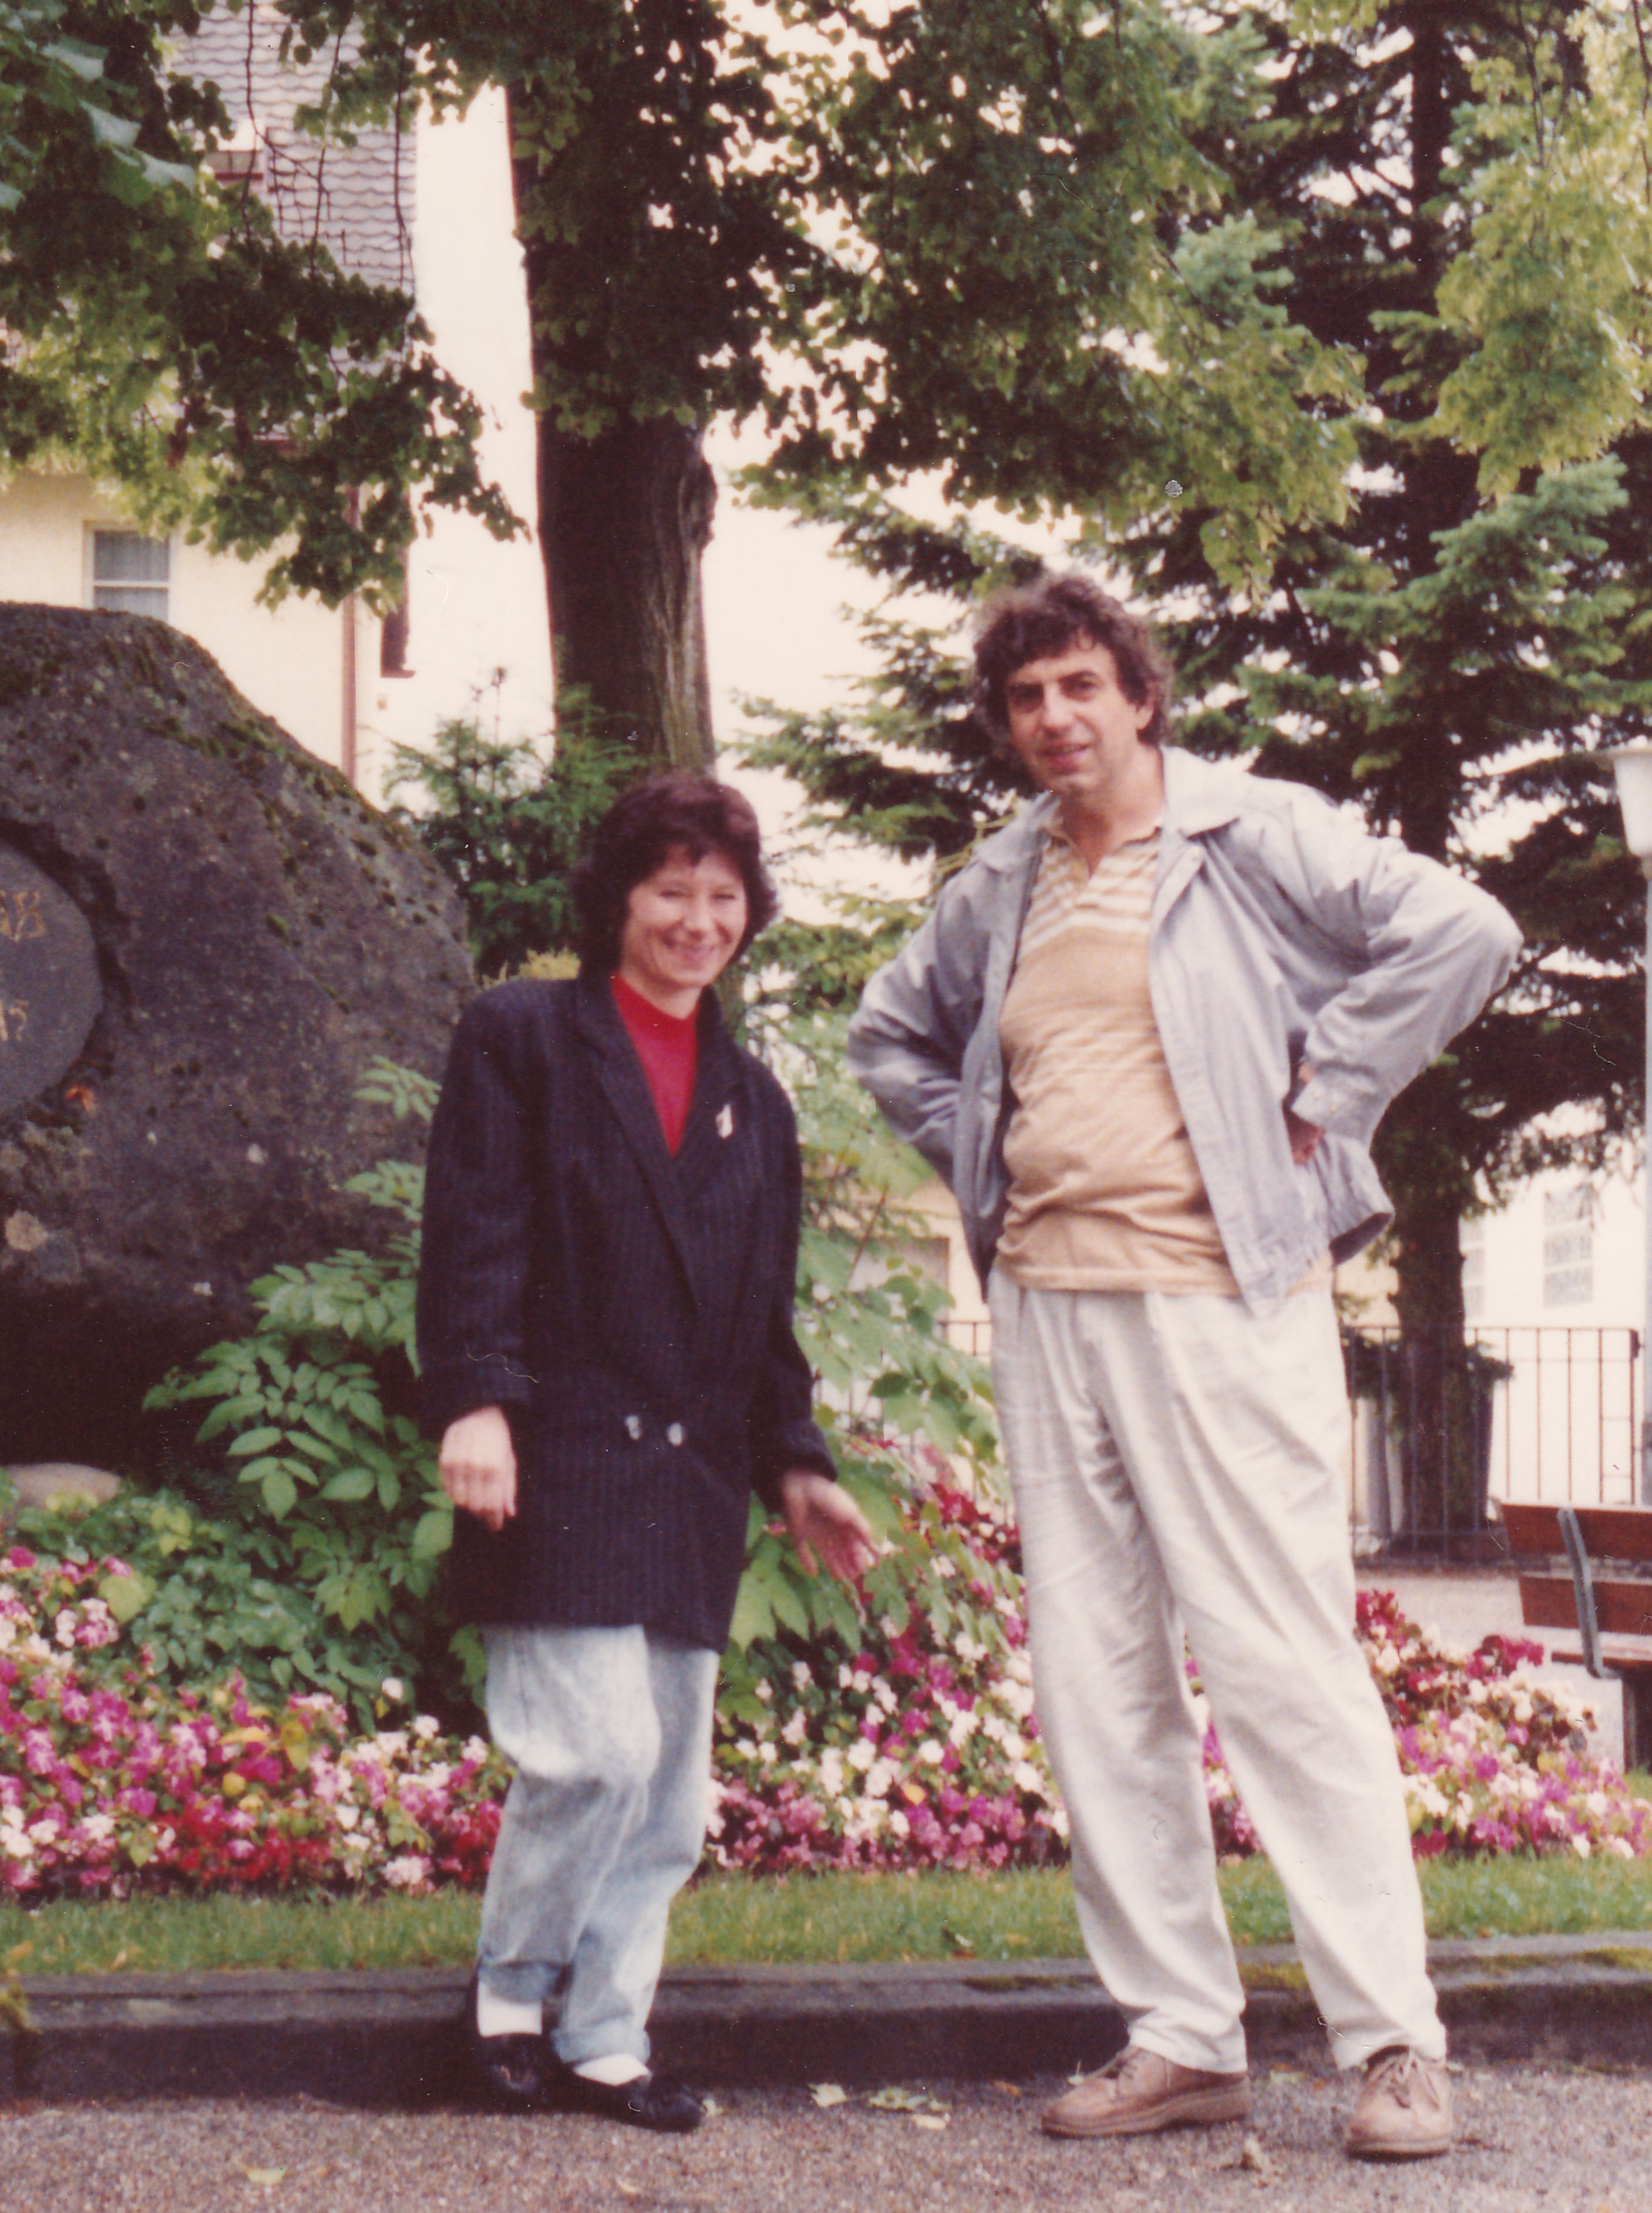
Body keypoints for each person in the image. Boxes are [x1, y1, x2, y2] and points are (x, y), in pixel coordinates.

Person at [847, 573, 1518, 2165]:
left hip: (1220, 1300)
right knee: (1097, 1684)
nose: (1056, 717)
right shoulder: (1001, 881)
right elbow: (889, 1038)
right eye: (1027, 697)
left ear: (1140, 696)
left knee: (1282, 1665)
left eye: (1082, 684)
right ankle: (1182, 2039)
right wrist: (980, 1149)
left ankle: (1395, 2046)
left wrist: (1328, 1089)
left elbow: (1465, 930)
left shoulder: (1249, 833)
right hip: (1048, 1308)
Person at [418, 771, 881, 2131]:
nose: (697, 919)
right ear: (618, 900)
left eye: (722, 896)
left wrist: (794, 1463)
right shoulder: (521, 1036)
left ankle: (606, 2034)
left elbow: (761, 1319)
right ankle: (510, 1995)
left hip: (687, 1484)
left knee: (669, 1798)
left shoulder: (758, 1104)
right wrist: (475, 1399)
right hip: (555, 1457)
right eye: (670, 889)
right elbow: (473, 1228)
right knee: (594, 1754)